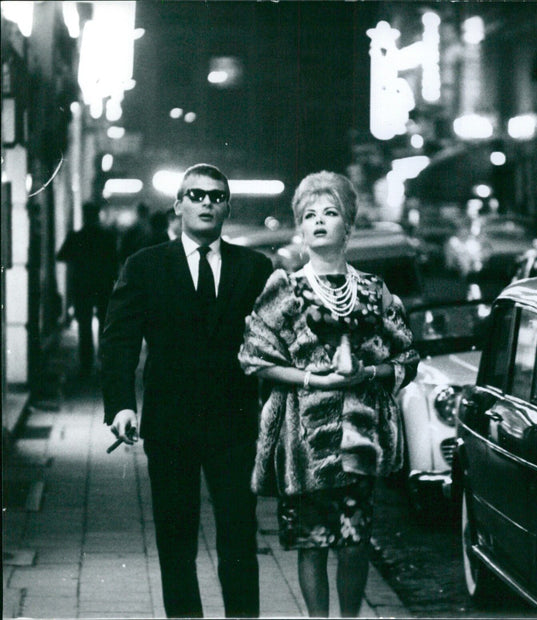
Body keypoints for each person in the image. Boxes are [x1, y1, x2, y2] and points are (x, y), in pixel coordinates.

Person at [238, 171, 419, 618]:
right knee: (312, 544)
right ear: (300, 228)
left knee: (355, 544)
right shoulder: (284, 288)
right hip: (303, 442)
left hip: (360, 440)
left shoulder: (374, 291)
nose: (319, 222)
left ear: (348, 227)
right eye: (309, 215)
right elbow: (253, 358)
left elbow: (407, 358)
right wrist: (309, 381)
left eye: (330, 213)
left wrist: (369, 372)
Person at [101, 164, 272, 618]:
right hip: (170, 425)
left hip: (235, 428)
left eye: (216, 196)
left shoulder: (255, 268)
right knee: (176, 546)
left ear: (227, 207)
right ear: (178, 206)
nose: (206, 203)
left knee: (238, 541)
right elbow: (118, 339)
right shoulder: (145, 266)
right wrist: (120, 405)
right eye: (195, 195)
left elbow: (278, 344)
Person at [56, 201, 118, 375]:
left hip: (82, 286)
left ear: (84, 216)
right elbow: (114, 262)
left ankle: (86, 362)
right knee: (105, 325)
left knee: (84, 325)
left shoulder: (76, 237)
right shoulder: (106, 237)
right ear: (98, 216)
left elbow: (61, 255)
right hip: (103, 286)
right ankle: (104, 360)